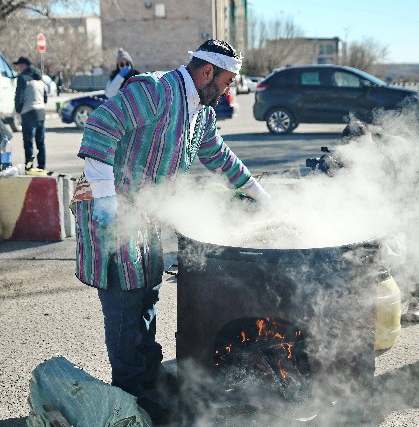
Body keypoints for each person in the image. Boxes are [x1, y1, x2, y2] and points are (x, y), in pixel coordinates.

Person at [70, 39, 270, 423]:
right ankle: (131, 396)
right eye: (227, 81)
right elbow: (100, 125)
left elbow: (218, 157)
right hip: (110, 206)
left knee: (148, 287)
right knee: (125, 297)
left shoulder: (203, 113)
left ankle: (149, 378)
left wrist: (260, 195)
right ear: (207, 72)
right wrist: (107, 198)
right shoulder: (157, 90)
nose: (228, 89)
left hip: (144, 212)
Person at [13, 56, 48, 170]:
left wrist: (18, 110)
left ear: (24, 66)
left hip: (28, 113)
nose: (18, 68)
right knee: (40, 142)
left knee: (28, 143)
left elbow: (19, 96)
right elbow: (45, 98)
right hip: (41, 112)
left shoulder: (22, 78)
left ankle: (29, 167)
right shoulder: (40, 78)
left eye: (19, 66)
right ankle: (42, 166)